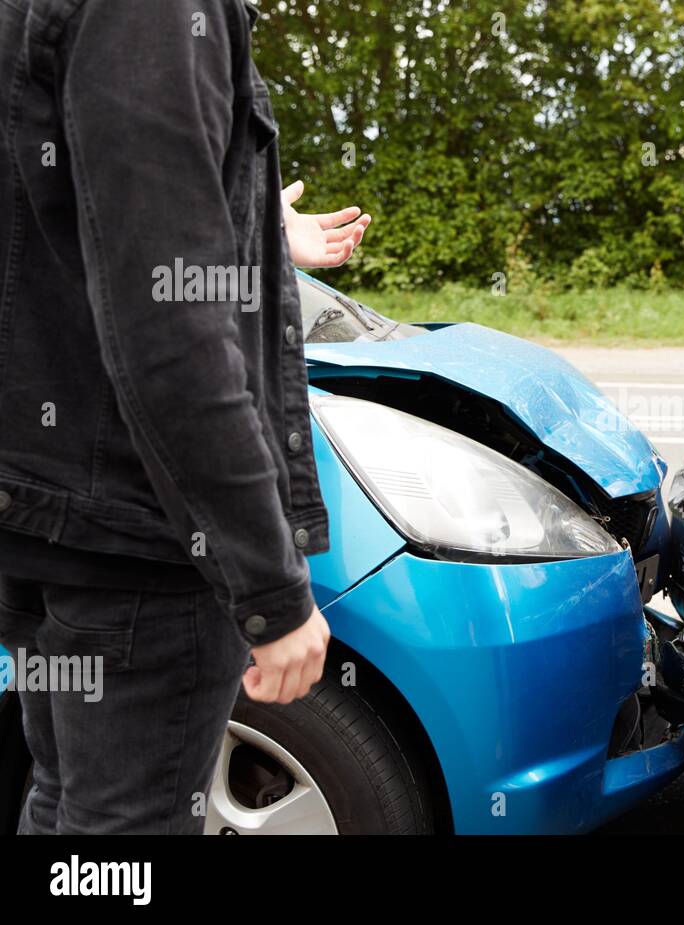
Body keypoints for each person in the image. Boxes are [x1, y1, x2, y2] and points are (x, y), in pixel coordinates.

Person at [0, 0, 368, 834]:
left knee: (69, 810)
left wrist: (260, 225)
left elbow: (70, 197)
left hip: (53, 514)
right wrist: (269, 592)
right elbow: (168, 329)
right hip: (140, 540)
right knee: (118, 836)